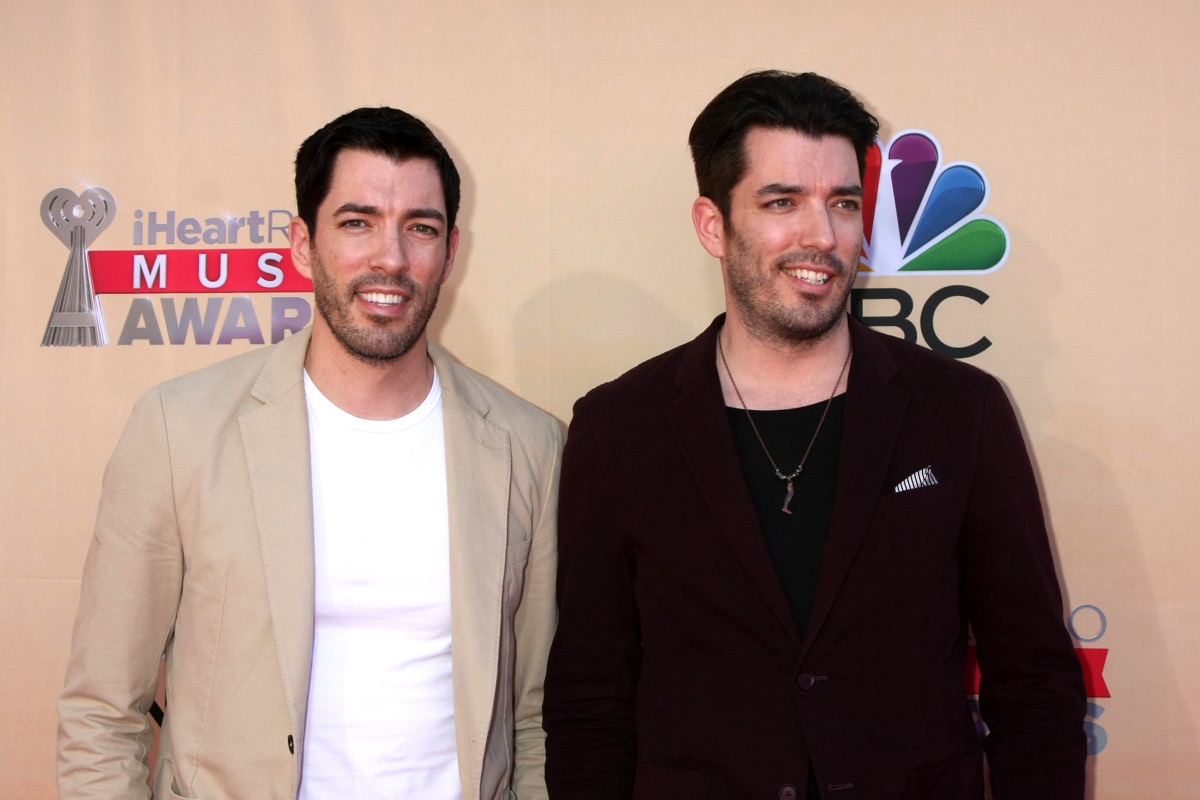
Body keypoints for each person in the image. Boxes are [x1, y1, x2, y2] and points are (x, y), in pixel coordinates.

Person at [543, 71, 1085, 799]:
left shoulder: (963, 411)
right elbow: (590, 700)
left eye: (843, 204)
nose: (822, 236)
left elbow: (1033, 679)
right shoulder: (619, 429)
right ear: (713, 225)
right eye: (782, 202)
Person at [57, 107, 561, 800]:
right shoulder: (181, 429)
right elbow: (102, 713)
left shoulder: (529, 445)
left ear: (450, 251)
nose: (391, 257)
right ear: (302, 244)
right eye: (357, 222)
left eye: (420, 227)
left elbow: (535, 720)